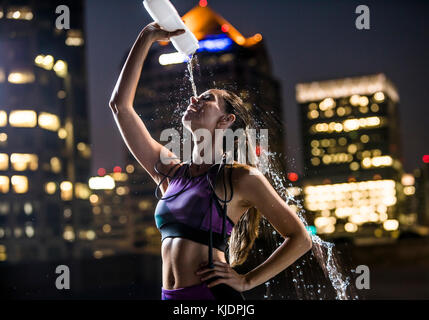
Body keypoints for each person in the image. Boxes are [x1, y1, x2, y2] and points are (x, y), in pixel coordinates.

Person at [109, 22, 312, 300]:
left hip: (212, 297)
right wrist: (147, 36)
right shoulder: (171, 171)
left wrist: (246, 281)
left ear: (226, 120)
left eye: (207, 99)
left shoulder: (240, 178)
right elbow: (120, 106)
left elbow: (300, 238)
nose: (194, 98)